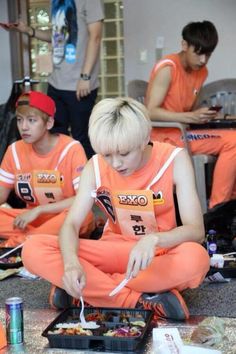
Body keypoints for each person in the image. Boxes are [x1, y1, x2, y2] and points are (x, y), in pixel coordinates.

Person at [22, 97, 209, 321]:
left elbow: (196, 230)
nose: (116, 163)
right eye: (107, 155)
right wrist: (71, 265)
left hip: (157, 254)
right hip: (111, 252)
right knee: (33, 248)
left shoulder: (174, 159)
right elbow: (71, 224)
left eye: (124, 153)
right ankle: (136, 300)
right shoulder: (95, 166)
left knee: (196, 260)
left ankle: (87, 291)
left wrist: (154, 239)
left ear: (144, 139)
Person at [146, 20, 236, 210]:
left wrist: (204, 116)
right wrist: (189, 117)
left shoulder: (201, 71)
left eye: (208, 54)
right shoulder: (168, 68)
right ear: (184, 45)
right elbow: (150, 111)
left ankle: (228, 206)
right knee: (234, 141)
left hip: (184, 133)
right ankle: (218, 209)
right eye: (199, 53)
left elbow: (188, 110)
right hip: (165, 137)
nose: (203, 60)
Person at [1, 0, 104, 159]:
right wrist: (28, 30)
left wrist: (85, 76)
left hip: (79, 84)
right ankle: (59, 179)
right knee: (55, 136)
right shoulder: (56, 2)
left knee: (81, 138)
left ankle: (86, 182)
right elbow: (58, 36)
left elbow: (95, 37)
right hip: (56, 83)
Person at [0, 90, 94, 247]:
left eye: (31, 120)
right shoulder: (14, 150)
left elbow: (82, 199)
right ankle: (33, 240)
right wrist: (35, 213)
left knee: (85, 216)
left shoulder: (71, 149)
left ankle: (22, 242)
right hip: (30, 219)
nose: (24, 127)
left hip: (64, 216)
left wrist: (40, 210)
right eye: (19, 120)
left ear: (49, 123)